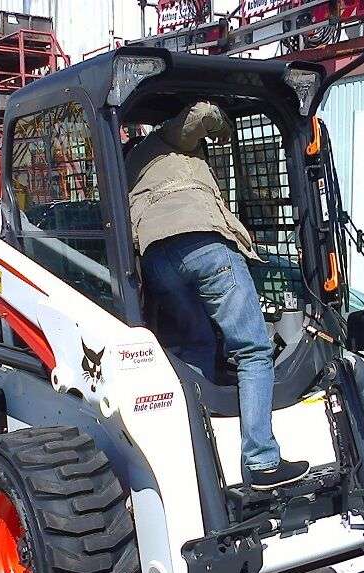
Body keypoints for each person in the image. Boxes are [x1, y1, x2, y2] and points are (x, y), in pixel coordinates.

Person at [125, 100, 309, 490]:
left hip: (156, 257)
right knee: (254, 350)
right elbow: (200, 115)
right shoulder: (168, 138)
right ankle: (261, 461)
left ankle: (199, 448)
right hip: (203, 244)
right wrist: (223, 127)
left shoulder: (129, 164)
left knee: (196, 343)